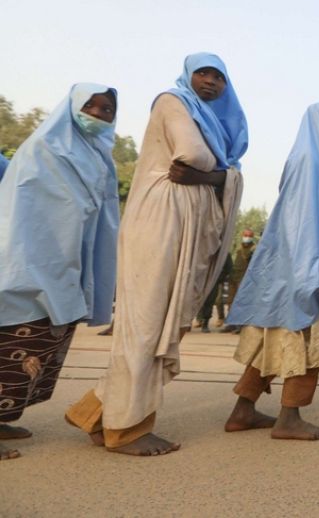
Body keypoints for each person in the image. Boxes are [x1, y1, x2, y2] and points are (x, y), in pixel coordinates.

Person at [66, 52, 246, 457]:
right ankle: (126, 429)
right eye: (203, 72)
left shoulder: (213, 122)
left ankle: (93, 412)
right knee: (146, 326)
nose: (211, 82)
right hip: (160, 224)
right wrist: (220, 173)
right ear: (188, 76)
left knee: (159, 324)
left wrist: (217, 176)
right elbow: (192, 156)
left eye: (219, 77)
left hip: (182, 226)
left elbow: (204, 168)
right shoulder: (172, 101)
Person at [0, 84, 119, 461]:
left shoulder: (100, 156)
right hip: (30, 262)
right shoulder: (43, 149)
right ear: (70, 109)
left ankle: (2, 418)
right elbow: (28, 211)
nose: (100, 114)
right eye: (92, 106)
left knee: (41, 346)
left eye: (108, 109)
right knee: (11, 344)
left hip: (66, 263)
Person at [224, 104, 319, 441]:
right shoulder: (313, 161)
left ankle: (243, 410)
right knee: (308, 339)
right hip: (302, 267)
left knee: (273, 336)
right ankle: (289, 417)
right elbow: (304, 220)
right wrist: (311, 270)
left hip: (291, 267)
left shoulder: (318, 159)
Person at [222, 230, 257, 333]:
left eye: (249, 236)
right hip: (234, 277)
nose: (247, 237)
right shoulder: (238, 248)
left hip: (244, 279)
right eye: (245, 235)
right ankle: (231, 323)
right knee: (230, 301)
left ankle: (240, 325)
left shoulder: (254, 249)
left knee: (241, 303)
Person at [197, 255, 232, 332]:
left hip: (213, 281)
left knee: (209, 302)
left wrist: (219, 278)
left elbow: (228, 268)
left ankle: (205, 323)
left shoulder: (223, 253)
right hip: (201, 281)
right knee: (197, 301)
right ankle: (198, 320)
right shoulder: (206, 250)